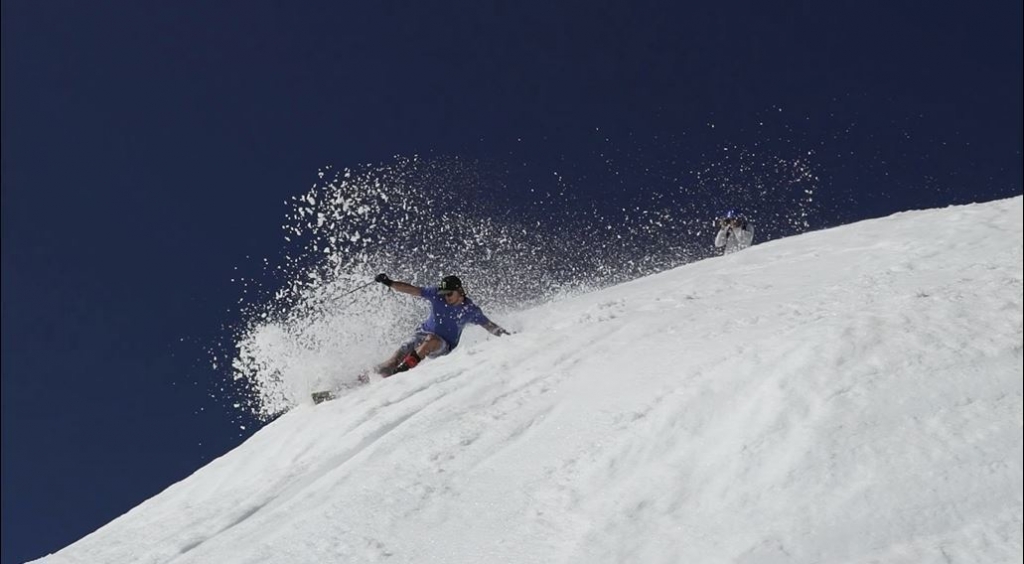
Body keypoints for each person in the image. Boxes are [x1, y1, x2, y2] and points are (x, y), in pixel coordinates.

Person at [371, 273, 509, 378]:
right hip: (422, 334)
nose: (446, 297)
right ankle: (369, 376)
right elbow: (413, 290)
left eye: (449, 294)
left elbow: (489, 325)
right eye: (444, 294)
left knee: (432, 340)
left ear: (460, 291)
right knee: (393, 361)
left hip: (444, 345)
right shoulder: (436, 294)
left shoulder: (470, 310)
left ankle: (400, 372)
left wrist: (510, 338)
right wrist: (389, 282)